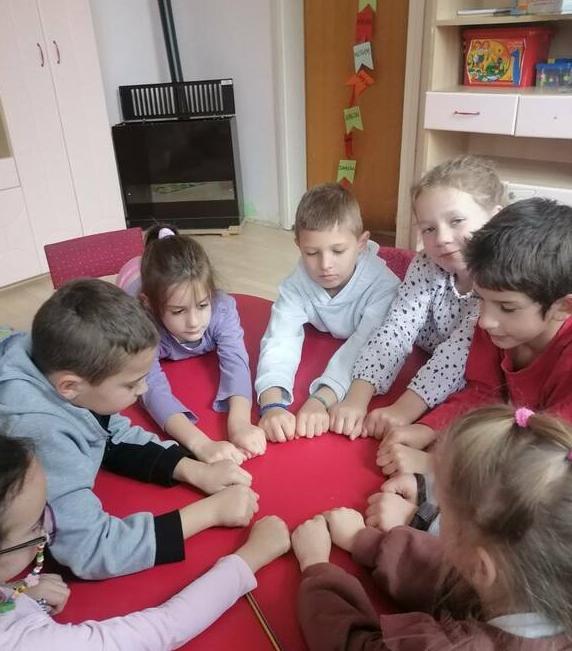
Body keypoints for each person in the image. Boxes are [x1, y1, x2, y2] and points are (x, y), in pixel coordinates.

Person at [0, 428, 290, 651]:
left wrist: (15, 593)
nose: (47, 528)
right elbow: (163, 629)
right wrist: (249, 558)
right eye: (35, 525)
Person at [292, 405, 572, 651]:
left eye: (442, 507)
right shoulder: (536, 584)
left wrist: (316, 568)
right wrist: (369, 542)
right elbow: (464, 581)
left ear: (481, 566)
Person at [0, 279, 258, 579]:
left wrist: (194, 470)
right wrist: (210, 512)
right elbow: (92, 549)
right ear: (70, 386)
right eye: (131, 384)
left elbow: (105, 429)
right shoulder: (38, 431)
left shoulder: (55, 364)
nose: (144, 389)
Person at [375, 198, 572, 519]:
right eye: (481, 299)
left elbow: (550, 461)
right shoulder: (498, 329)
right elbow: (481, 393)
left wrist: (438, 464)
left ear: (563, 307)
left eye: (507, 307)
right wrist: (428, 429)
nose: (485, 321)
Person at [329, 155, 503, 440]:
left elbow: (459, 353)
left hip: (460, 373)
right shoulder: (426, 264)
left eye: (456, 221)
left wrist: (403, 410)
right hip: (422, 352)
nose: (442, 238)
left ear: (495, 218)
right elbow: (397, 328)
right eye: (429, 229)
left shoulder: (498, 282)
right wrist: (357, 396)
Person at [255, 182, 400, 442]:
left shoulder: (384, 287)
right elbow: (279, 339)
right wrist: (271, 403)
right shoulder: (296, 285)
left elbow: (364, 345)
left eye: (338, 251)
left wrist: (321, 398)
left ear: (361, 243)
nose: (325, 265)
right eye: (311, 253)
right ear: (298, 245)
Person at [118, 226, 265, 462]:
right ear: (150, 304)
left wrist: (240, 424)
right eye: (178, 311)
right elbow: (151, 389)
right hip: (131, 274)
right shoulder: (142, 326)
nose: (194, 322)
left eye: (203, 305)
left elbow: (236, 361)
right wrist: (201, 444)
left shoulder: (222, 308)